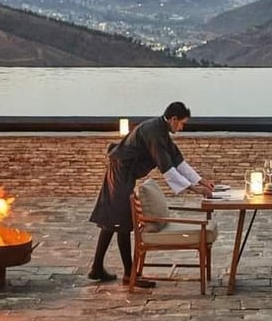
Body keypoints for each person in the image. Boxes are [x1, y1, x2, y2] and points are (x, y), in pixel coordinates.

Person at [88, 101, 214, 287]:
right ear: (173, 119)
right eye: (181, 123)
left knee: (113, 219)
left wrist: (201, 181)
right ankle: (130, 276)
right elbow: (167, 169)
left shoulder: (161, 131)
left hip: (124, 170)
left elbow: (178, 162)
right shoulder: (154, 133)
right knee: (122, 221)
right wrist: (194, 189)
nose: (182, 127)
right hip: (121, 170)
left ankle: (97, 268)